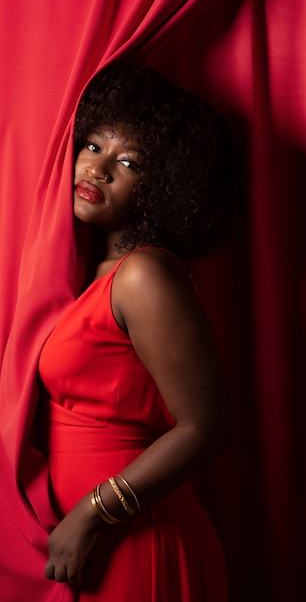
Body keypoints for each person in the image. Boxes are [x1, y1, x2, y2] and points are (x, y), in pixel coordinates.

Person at [37, 63, 235, 601]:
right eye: (94, 145)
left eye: (128, 162)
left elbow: (209, 424)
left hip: (137, 540)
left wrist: (92, 515)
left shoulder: (144, 275)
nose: (99, 169)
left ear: (161, 188)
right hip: (84, 545)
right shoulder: (84, 275)